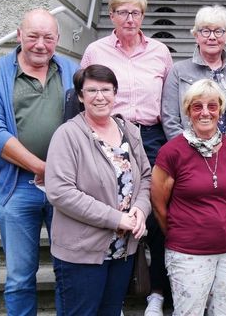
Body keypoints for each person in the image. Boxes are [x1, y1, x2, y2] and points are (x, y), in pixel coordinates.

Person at [0, 8, 79, 315]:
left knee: (68, 274)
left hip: (67, 187)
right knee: (20, 277)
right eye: (33, 36)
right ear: (19, 35)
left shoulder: (73, 69)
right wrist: (41, 168)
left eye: (48, 37)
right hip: (18, 186)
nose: (40, 44)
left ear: (57, 39)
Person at [81, 0, 174, 315]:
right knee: (116, 209)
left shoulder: (160, 51)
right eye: (123, 12)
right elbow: (84, 94)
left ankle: (157, 292)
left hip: (151, 136)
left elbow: (170, 102)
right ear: (112, 16)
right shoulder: (95, 50)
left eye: (136, 12)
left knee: (158, 212)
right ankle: (114, 295)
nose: (130, 18)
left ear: (143, 16)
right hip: (111, 134)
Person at [45, 65, 151, 314]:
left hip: (122, 250)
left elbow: (146, 177)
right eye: (92, 90)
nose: (100, 96)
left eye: (106, 89)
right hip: (82, 253)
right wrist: (116, 218)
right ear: (80, 96)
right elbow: (60, 191)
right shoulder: (67, 135)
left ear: (115, 93)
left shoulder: (130, 131)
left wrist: (140, 210)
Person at [151, 79, 226, 316]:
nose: (205, 112)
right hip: (188, 253)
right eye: (197, 106)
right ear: (187, 111)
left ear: (220, 110)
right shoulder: (171, 151)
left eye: (212, 106)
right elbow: (159, 205)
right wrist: (181, 233)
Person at [161, 5, 226, 147]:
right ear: (196, 36)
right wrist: (189, 151)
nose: (212, 37)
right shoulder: (178, 71)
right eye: (205, 31)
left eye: (219, 31)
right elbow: (170, 119)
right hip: (188, 157)